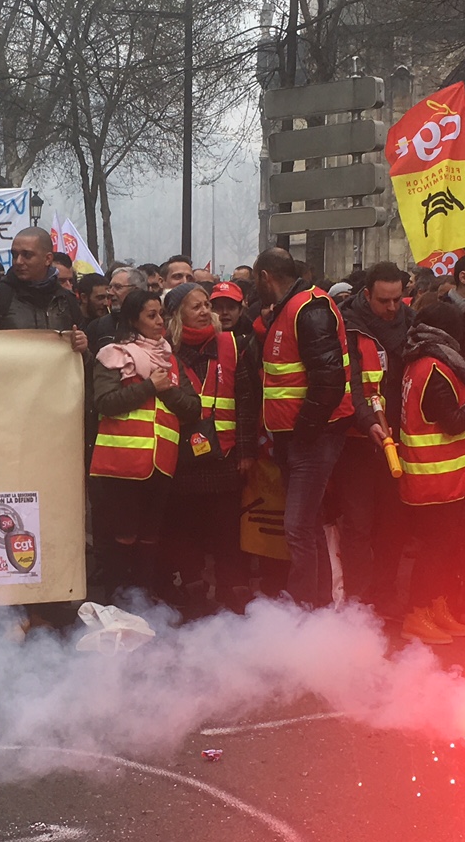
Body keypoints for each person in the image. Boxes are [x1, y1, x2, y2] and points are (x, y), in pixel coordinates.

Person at [88, 289, 202, 600]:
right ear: (133, 320)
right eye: (151, 316)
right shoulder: (114, 354)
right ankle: (116, 604)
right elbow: (105, 402)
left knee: (150, 541)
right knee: (122, 541)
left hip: (160, 466)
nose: (160, 321)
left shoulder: (171, 360)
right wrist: (150, 386)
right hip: (119, 467)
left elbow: (193, 409)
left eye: (161, 314)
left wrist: (166, 390)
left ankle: (144, 606)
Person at [255, 247, 352, 606]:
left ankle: (303, 606)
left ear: (265, 277)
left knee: (298, 527)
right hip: (300, 435)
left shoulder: (308, 309)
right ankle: (316, 604)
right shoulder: (292, 308)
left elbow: (328, 380)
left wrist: (304, 434)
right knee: (307, 525)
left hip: (313, 436)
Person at [394, 312, 465, 644]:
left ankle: (436, 606)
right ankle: (416, 614)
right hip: (435, 478)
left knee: (443, 549)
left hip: (435, 476)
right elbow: (452, 421)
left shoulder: (421, 362)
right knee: (434, 551)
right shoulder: (435, 368)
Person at [164, 282, 257, 614]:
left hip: (225, 457)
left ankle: (232, 588)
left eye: (207, 305)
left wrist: (247, 452)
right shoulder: (165, 351)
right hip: (182, 459)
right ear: (178, 314)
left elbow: (246, 402)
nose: (206, 311)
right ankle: (194, 591)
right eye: (197, 306)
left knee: (226, 531)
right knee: (186, 529)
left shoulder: (230, 344)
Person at [336, 261, 417, 624]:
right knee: (358, 525)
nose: (392, 307)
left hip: (400, 440)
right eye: (384, 301)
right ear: (367, 294)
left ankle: (385, 594)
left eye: (397, 299)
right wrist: (367, 422)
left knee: (394, 524)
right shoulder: (346, 325)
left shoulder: (411, 321)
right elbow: (349, 381)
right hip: (358, 443)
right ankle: (359, 600)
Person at [0, 226, 89, 348]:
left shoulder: (67, 301)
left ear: (48, 259)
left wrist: (82, 348)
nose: (18, 261)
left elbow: (83, 361)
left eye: (27, 255)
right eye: (15, 255)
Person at [86, 266, 139, 351]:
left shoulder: (151, 324)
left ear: (135, 290)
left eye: (117, 287)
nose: (110, 293)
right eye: (110, 287)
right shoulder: (97, 326)